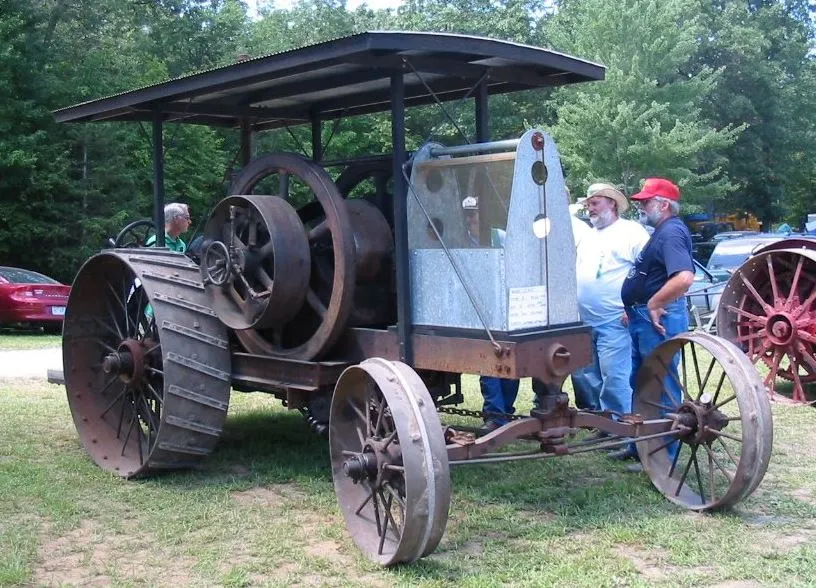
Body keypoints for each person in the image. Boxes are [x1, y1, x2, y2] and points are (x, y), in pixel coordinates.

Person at [616, 178, 695, 471]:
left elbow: (684, 278)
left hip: (658, 320)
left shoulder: (671, 232)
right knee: (642, 383)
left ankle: (663, 458)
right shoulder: (661, 232)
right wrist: (633, 306)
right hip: (642, 318)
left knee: (662, 386)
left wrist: (653, 303)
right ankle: (640, 447)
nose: (641, 206)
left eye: (646, 202)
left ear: (663, 205)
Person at [572, 183, 650, 418]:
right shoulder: (588, 235)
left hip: (615, 319)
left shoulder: (632, 232)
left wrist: (632, 306)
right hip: (586, 321)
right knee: (592, 377)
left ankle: (621, 426)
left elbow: (647, 272)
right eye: (588, 205)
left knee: (615, 377)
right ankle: (604, 423)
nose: (590, 209)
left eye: (595, 203)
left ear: (612, 204)